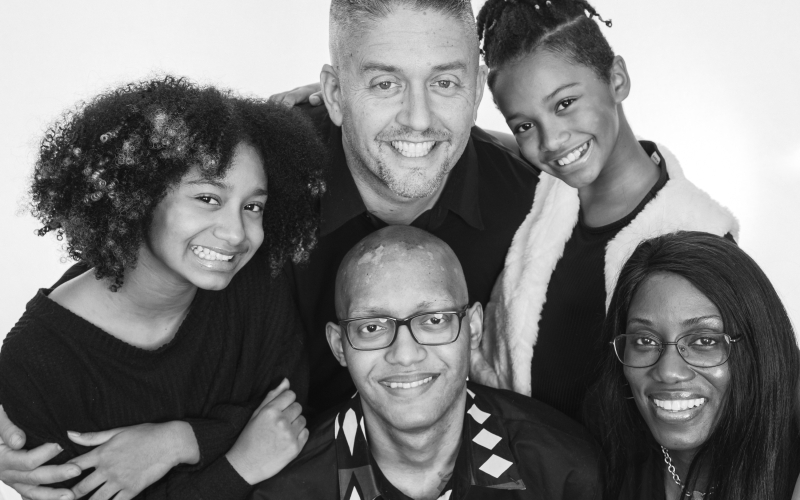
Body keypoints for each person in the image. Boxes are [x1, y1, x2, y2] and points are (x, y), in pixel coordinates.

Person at [0, 76, 326, 499]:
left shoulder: (256, 284)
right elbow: (267, 441)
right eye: (207, 198)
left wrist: (179, 441)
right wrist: (237, 466)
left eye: (252, 206)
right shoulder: (35, 366)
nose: (235, 233)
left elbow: (288, 421)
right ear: (138, 196)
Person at [464, 0, 740, 422]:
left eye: (564, 103)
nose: (551, 141)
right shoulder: (540, 200)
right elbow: (466, 139)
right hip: (522, 456)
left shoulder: (700, 239)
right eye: (525, 126)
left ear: (617, 79)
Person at [277, 0, 539, 414]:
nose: (418, 119)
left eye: (445, 83)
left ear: (476, 91)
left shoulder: (531, 209)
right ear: (335, 95)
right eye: (385, 84)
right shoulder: (258, 190)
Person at [250, 226, 602, 500]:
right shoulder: (284, 491)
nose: (405, 354)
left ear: (473, 328)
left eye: (433, 320)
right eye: (372, 327)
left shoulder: (566, 473)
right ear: (339, 345)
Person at [586, 231, 800, 499]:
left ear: (759, 349)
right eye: (645, 340)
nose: (668, 372)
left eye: (705, 341)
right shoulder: (601, 451)